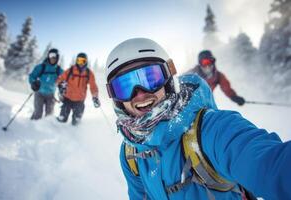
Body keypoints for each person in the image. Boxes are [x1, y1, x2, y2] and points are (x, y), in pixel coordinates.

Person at [105, 38, 291, 200]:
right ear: (115, 98)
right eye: (123, 87)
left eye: (150, 78)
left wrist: (234, 98)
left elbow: (273, 167)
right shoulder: (130, 152)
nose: (140, 93)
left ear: (167, 80)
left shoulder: (213, 130)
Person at [56, 53, 100, 125]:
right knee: (62, 119)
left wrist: (95, 97)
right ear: (76, 61)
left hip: (79, 101)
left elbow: (93, 86)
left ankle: (75, 133)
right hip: (68, 98)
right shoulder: (70, 70)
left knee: (76, 122)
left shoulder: (88, 73)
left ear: (86, 61)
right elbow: (60, 79)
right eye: (79, 61)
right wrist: (61, 85)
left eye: (83, 61)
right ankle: (58, 132)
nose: (81, 63)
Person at [29, 48, 63, 120]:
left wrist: (62, 86)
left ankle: (45, 130)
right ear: (48, 56)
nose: (52, 58)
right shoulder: (41, 67)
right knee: (38, 113)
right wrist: (33, 83)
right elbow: (32, 76)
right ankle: (31, 127)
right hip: (39, 93)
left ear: (57, 57)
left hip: (50, 95)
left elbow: (65, 79)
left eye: (54, 56)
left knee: (49, 115)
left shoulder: (58, 70)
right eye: (51, 55)